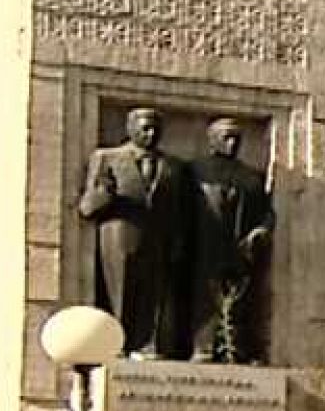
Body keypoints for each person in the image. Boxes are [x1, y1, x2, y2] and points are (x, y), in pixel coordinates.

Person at [78, 107, 190, 359]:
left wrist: (177, 241)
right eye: (145, 128)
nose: (151, 134)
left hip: (157, 240)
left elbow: (178, 209)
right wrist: (104, 194)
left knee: (155, 298)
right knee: (119, 293)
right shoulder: (107, 157)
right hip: (119, 237)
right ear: (130, 129)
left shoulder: (173, 166)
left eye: (155, 129)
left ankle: (148, 345)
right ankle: (116, 344)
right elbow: (86, 208)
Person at [189, 118, 274, 363]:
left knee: (242, 301)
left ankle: (238, 349)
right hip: (206, 245)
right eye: (226, 137)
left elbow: (267, 212)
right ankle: (203, 347)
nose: (232, 142)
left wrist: (261, 230)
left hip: (241, 248)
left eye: (237, 138)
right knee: (204, 299)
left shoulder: (251, 177)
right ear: (212, 140)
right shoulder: (196, 170)